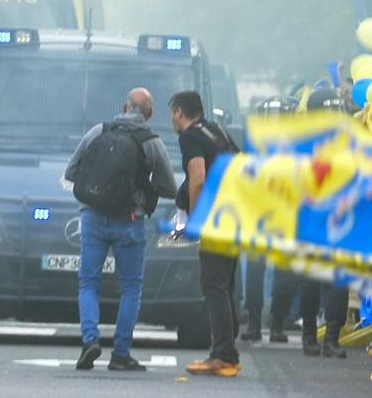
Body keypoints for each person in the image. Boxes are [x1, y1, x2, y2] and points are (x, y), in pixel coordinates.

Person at [64, 87, 176, 372]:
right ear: (149, 113)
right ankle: (121, 353)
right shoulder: (151, 142)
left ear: (124, 107)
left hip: (92, 217)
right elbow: (169, 187)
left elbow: (71, 171)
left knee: (88, 282)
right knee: (131, 287)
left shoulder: (98, 132)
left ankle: (90, 339)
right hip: (129, 220)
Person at [170, 89, 241, 378]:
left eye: (172, 114)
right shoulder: (216, 130)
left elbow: (197, 177)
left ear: (178, 112)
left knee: (213, 286)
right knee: (225, 286)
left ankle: (222, 355)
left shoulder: (190, 137)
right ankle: (229, 352)